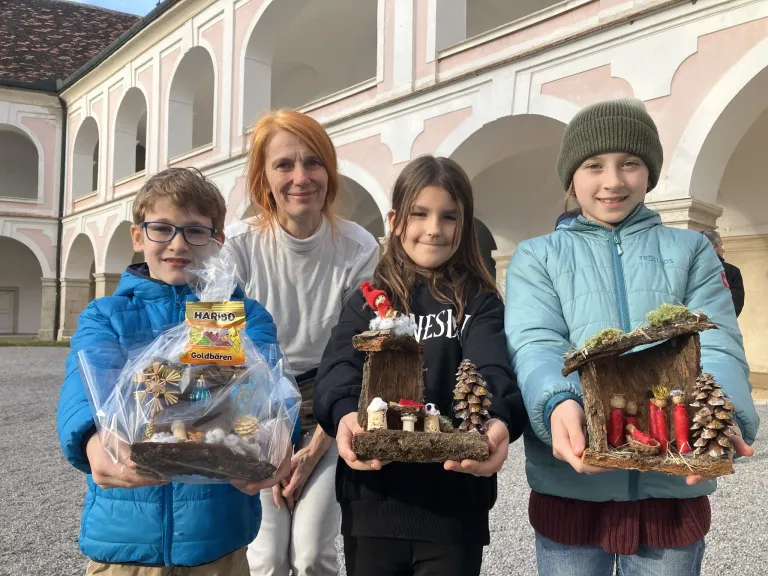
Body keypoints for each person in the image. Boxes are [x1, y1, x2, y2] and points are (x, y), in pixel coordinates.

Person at [504, 98, 759, 575]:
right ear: (571, 177)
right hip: (572, 487)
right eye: (594, 165)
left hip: (672, 486)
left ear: (650, 173)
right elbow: (537, 341)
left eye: (630, 163)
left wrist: (723, 413)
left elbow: (719, 343)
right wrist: (558, 402)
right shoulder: (537, 257)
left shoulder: (691, 251)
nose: (613, 181)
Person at [56, 168, 290, 575]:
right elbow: (85, 385)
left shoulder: (242, 318)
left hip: (217, 541)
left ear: (218, 242)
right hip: (123, 544)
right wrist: (93, 440)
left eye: (196, 231)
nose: (178, 244)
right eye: (161, 228)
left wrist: (280, 433)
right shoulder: (106, 315)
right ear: (138, 236)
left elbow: (271, 384)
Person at [313, 155, 527, 576]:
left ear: (463, 225)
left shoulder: (478, 300)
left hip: (453, 504)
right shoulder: (370, 299)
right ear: (395, 220)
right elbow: (339, 367)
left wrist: (499, 418)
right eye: (419, 214)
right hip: (374, 499)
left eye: (448, 216)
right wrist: (342, 416)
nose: (434, 229)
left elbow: (493, 368)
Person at [226, 109, 380, 576]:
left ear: (329, 173)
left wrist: (314, 448)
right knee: (268, 557)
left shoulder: (358, 247)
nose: (301, 177)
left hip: (332, 404)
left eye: (313, 163)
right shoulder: (238, 245)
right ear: (263, 177)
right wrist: (268, 442)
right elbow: (221, 356)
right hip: (257, 403)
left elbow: (362, 357)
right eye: (283, 165)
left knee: (313, 554)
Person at [701, 229, 744, 317]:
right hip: (721, 323)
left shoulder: (688, 268)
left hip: (691, 324)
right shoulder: (732, 271)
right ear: (713, 247)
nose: (723, 250)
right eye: (721, 245)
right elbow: (736, 302)